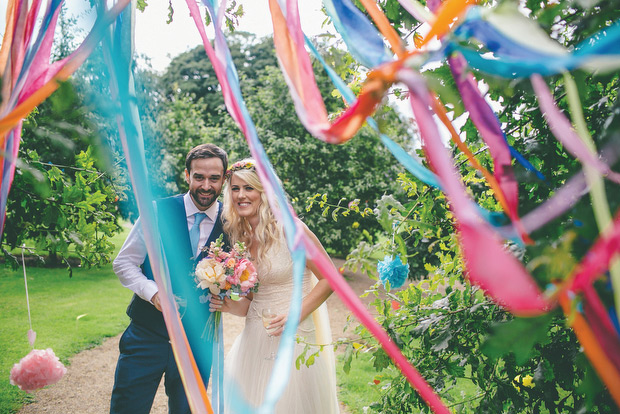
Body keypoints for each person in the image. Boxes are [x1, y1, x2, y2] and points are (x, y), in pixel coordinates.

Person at [210, 159, 340, 413]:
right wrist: (230, 305)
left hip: (294, 337)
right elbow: (254, 299)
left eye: (249, 188)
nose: (241, 195)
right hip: (254, 339)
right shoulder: (239, 236)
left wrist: (295, 315)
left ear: (264, 192)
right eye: (235, 189)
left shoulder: (292, 230)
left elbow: (330, 279)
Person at [110, 144, 228, 414]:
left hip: (198, 342)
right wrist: (153, 293)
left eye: (214, 178)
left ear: (223, 179)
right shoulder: (155, 211)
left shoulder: (231, 221)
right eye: (199, 177)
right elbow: (124, 262)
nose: (206, 185)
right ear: (187, 175)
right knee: (127, 408)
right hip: (146, 335)